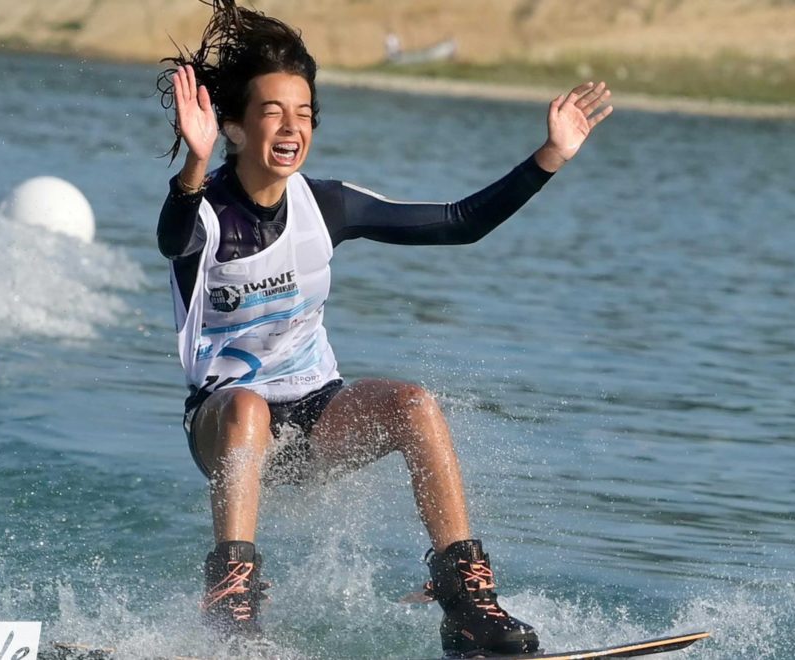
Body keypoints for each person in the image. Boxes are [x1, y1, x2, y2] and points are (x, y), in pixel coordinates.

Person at [155, 1, 611, 656]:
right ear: (233, 126)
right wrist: (194, 167)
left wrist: (550, 157)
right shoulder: (205, 212)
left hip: (316, 419)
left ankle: (467, 606)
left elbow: (459, 223)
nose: (292, 127)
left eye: (304, 113)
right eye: (272, 112)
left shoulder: (327, 205)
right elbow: (172, 240)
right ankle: (233, 609)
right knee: (248, 406)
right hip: (224, 426)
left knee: (414, 405)